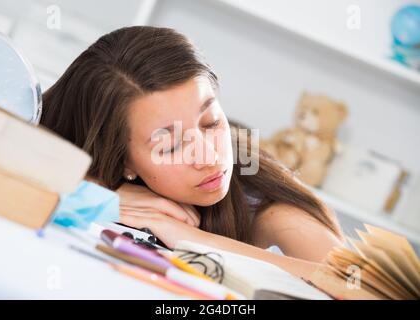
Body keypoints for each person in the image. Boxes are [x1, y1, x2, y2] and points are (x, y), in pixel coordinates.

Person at [40, 26, 344, 280]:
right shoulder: (79, 165)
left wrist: (192, 240)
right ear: (122, 160)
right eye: (171, 146)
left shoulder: (260, 195)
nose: (209, 158)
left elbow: (356, 286)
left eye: (211, 122)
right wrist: (101, 193)